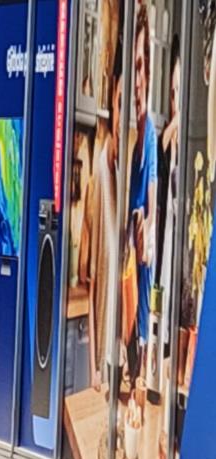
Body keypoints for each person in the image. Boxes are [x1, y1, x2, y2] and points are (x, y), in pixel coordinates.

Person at [80, 36, 123, 392]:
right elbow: (91, 282)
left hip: (119, 365)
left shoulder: (128, 172)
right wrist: (94, 369)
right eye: (121, 102)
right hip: (103, 370)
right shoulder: (100, 175)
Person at [124, 3, 158, 389]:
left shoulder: (147, 135)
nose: (137, 81)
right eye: (132, 69)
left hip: (138, 255)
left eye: (140, 68)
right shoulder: (130, 134)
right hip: (127, 257)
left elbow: (151, 195)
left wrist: (146, 225)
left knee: (142, 308)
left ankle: (138, 378)